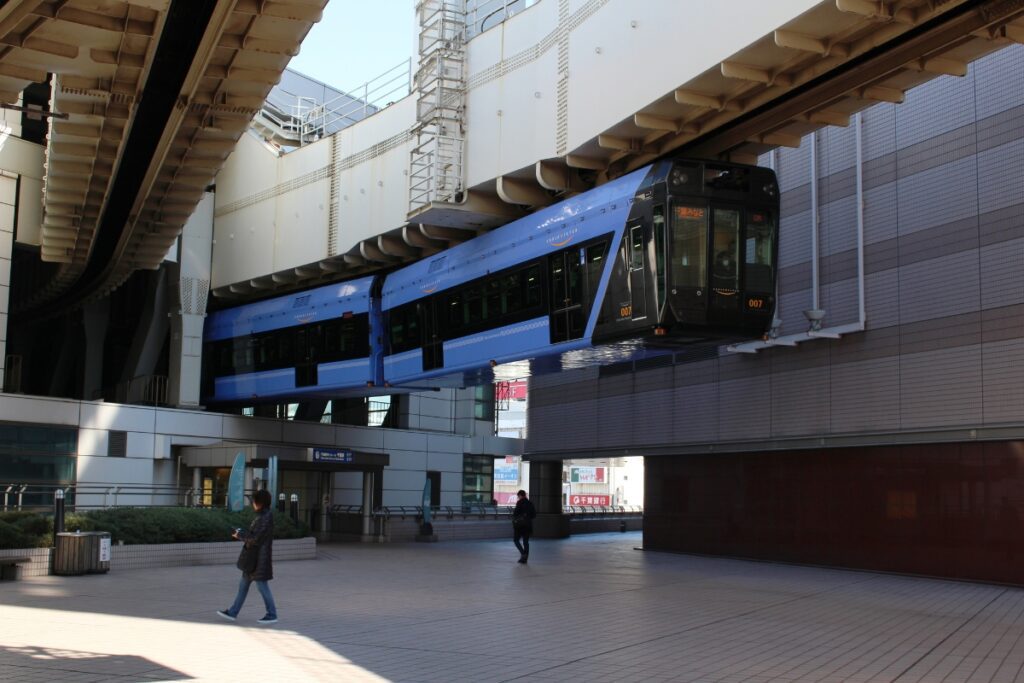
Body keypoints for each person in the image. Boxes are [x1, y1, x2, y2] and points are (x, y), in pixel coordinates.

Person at [217, 489, 278, 625]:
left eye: (254, 502)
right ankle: (233, 612)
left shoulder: (265, 517)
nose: (253, 504)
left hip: (258, 560)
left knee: (262, 586)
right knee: (243, 586)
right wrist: (242, 532)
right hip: (253, 560)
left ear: (260, 503)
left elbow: (255, 539)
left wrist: (239, 535)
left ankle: (272, 614)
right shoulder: (263, 516)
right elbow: (255, 535)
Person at [512, 489, 536, 564]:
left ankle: (523, 554)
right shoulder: (530, 503)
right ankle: (525, 559)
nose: (518, 498)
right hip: (528, 525)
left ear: (520, 495)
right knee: (526, 542)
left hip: (520, 526)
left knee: (516, 540)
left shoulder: (519, 503)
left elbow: (515, 513)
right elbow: (534, 515)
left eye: (518, 496)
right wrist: (527, 518)